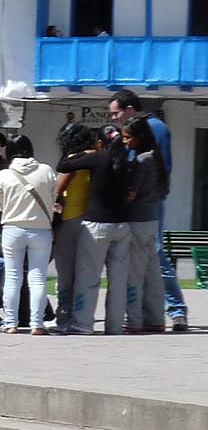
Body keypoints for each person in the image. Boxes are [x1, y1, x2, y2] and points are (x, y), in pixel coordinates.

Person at [111, 89, 187, 330]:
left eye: (116, 113)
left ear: (130, 109)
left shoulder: (154, 129)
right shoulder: (133, 132)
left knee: (155, 253)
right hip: (137, 202)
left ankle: (176, 309)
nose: (113, 118)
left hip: (147, 202)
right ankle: (145, 308)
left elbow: (159, 168)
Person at [58, 126, 134, 334]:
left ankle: (83, 324)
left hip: (97, 225)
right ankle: (115, 325)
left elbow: (63, 164)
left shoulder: (98, 158)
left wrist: (86, 152)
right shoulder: (127, 162)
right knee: (118, 281)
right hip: (123, 226)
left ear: (100, 143)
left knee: (89, 277)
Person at [0, 134, 57, 335]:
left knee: (12, 276)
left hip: (12, 228)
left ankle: (11, 323)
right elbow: (53, 197)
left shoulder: (3, 175)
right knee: (38, 277)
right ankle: (36, 323)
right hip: (41, 229)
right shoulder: (46, 170)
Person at [123, 116, 169, 334]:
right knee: (153, 273)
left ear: (139, 137)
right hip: (152, 219)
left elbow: (132, 193)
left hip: (138, 220)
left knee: (134, 273)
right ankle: (156, 318)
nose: (125, 141)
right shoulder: (156, 157)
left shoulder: (141, 160)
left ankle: (133, 320)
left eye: (128, 137)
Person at [52, 122, 95, 334]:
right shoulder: (95, 158)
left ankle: (64, 317)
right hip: (90, 219)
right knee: (84, 273)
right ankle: (82, 316)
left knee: (65, 274)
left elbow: (57, 191)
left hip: (69, 219)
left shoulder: (72, 161)